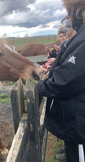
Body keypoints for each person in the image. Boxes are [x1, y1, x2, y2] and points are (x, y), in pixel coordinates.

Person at [37, 0, 85, 162]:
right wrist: (56, 65)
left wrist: (41, 84)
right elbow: (76, 70)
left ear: (79, 8)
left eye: (70, 11)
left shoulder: (83, 39)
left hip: (80, 127)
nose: (69, 17)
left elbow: (61, 84)